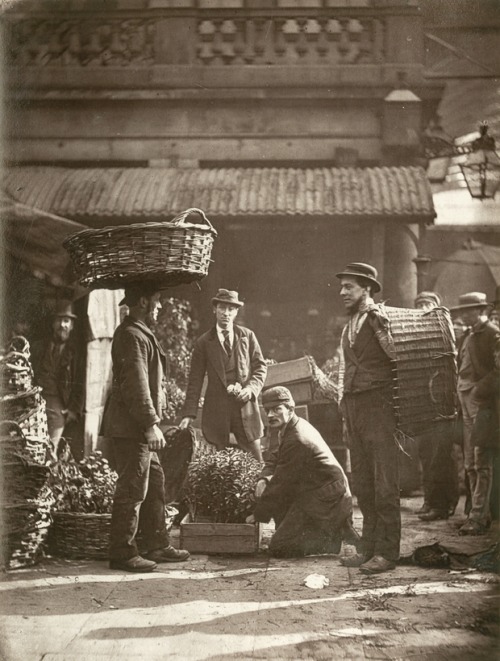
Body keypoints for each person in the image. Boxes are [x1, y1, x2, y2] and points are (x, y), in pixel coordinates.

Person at [103, 282, 190, 572]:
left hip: (136, 427)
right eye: (157, 300)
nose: (160, 306)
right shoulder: (131, 336)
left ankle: (157, 545)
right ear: (143, 301)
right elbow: (137, 386)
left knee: (154, 484)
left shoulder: (138, 333)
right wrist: (151, 424)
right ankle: (122, 553)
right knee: (132, 488)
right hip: (132, 429)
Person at [336, 262, 400, 574]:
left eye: (349, 286)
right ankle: (370, 549)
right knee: (363, 482)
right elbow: (343, 368)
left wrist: (385, 328)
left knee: (384, 483)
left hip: (379, 407)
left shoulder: (378, 318)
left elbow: (398, 358)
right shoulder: (349, 324)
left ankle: (388, 553)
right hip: (355, 408)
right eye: (342, 286)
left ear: (367, 289)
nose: (342, 292)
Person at [247, 386, 355, 558]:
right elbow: (275, 456)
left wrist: (258, 515)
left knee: (279, 548)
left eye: (276, 409)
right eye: (267, 410)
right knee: (282, 512)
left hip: (328, 498)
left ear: (290, 408)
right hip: (316, 490)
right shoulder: (291, 426)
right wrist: (263, 479)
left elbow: (281, 482)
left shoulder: (297, 437)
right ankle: (316, 531)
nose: (270, 415)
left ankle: (329, 539)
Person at [180, 288, 267, 462]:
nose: (226, 314)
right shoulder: (204, 342)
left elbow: (260, 368)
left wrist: (250, 390)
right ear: (215, 309)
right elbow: (195, 380)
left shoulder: (247, 337)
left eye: (231, 309)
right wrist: (189, 413)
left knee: (256, 462)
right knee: (219, 465)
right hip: (217, 412)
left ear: (236, 312)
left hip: (245, 410)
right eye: (222, 308)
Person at [451, 292, 499, 535]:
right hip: (465, 401)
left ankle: (479, 516)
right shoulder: (467, 335)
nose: (464, 314)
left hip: (482, 404)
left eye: (469, 310)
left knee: (481, 461)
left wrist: (480, 390)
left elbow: (498, 370)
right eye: (462, 311)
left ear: (481, 310)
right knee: (470, 460)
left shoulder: (492, 333)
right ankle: (477, 513)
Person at [413, 291, 459, 521]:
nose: (423, 308)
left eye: (427, 304)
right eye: (419, 304)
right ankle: (431, 499)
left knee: (442, 455)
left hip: (444, 402)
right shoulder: (417, 335)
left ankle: (444, 504)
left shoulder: (447, 330)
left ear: (437, 306)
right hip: (424, 404)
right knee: (426, 453)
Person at [31, 300, 85, 456]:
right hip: (35, 402)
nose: (63, 325)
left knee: (50, 448)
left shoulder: (75, 353)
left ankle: (48, 476)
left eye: (66, 321)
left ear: (72, 326)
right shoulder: (39, 348)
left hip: (59, 405)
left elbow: (80, 384)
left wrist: (74, 409)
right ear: (53, 324)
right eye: (59, 320)